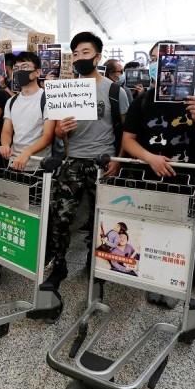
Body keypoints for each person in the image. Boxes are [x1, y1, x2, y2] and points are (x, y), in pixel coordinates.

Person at [122, 40, 195, 307]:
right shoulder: (143, 100)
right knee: (152, 230)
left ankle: (177, 283)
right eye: (154, 58)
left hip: (189, 182)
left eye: (165, 58)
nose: (159, 63)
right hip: (150, 180)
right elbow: (128, 139)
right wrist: (149, 158)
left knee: (183, 233)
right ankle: (155, 278)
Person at [42, 31, 129, 293]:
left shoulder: (114, 91)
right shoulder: (66, 89)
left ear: (98, 56)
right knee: (60, 217)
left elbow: (126, 131)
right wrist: (60, 131)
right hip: (72, 162)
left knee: (100, 219)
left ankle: (97, 264)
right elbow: (56, 131)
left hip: (102, 162)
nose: (80, 58)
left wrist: (119, 160)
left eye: (86, 53)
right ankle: (59, 265)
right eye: (76, 54)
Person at [0, 52, 55, 171]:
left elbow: (47, 136)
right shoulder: (11, 101)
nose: (19, 71)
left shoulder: (48, 99)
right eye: (16, 68)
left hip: (38, 167)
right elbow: (7, 131)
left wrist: (27, 153)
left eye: (25, 67)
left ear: (37, 72)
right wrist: (5, 145)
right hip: (13, 163)